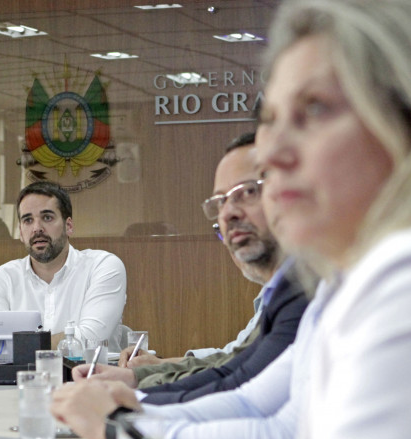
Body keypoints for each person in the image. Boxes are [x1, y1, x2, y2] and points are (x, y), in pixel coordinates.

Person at [0, 0, 411, 439]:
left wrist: (121, 426)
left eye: (315, 110)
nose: (275, 153)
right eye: (273, 118)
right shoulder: (349, 282)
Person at [68, 136, 311, 407]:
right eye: (220, 201)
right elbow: (230, 364)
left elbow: (237, 383)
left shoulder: (307, 290)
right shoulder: (280, 292)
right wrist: (134, 380)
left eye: (247, 192)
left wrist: (133, 402)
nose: (229, 212)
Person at [0, 181, 127, 351]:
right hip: (22, 379)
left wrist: (19, 345)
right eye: (28, 220)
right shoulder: (2, 278)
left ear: (69, 226)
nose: (37, 228)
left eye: (47, 217)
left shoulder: (102, 267)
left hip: (94, 377)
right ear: (20, 232)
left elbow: (91, 339)